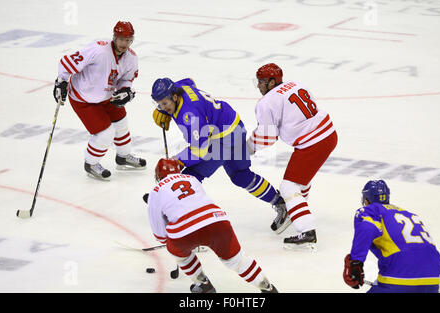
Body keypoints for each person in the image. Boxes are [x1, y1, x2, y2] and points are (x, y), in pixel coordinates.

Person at [150, 77, 289, 233]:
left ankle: (188, 224)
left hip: (223, 139)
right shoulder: (178, 87)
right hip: (234, 125)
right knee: (240, 175)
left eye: (165, 103)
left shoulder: (190, 116)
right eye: (159, 104)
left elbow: (199, 151)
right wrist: (163, 109)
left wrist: (176, 161)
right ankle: (281, 203)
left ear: (175, 97)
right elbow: (190, 81)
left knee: (191, 176)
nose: (163, 107)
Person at [146, 158, 278, 293]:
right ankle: (268, 287)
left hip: (183, 233)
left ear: (158, 175)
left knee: (180, 254)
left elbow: (160, 234)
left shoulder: (155, 191)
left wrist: (170, 243)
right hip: (216, 221)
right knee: (237, 260)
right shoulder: (192, 179)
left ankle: (203, 285)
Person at [247, 63, 338, 248]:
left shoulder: (266, 102)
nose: (259, 86)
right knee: (301, 181)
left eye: (262, 82)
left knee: (289, 186)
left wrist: (248, 147)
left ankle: (307, 230)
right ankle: (296, 209)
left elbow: (267, 137)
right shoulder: (296, 85)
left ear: (272, 82)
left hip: (313, 142)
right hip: (329, 134)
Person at [53, 21, 146, 180]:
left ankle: (123, 156)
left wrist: (125, 91)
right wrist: (61, 81)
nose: (125, 43)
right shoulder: (98, 50)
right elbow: (67, 61)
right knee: (105, 134)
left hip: (107, 97)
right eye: (122, 39)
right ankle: (91, 163)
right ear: (114, 37)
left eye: (129, 40)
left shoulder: (131, 58)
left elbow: (126, 80)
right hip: (84, 98)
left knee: (121, 123)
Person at [343, 180, 440, 293]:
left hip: (401, 273)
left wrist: (356, 262)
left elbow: (368, 228)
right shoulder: (408, 213)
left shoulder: (371, 210)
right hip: (434, 277)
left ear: (366, 199)